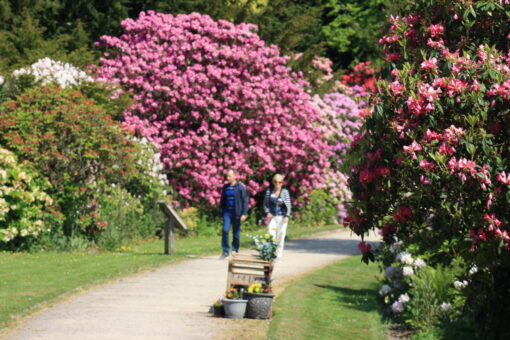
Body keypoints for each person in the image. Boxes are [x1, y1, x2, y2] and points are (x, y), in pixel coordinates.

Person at [218, 169, 248, 259]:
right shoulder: (225, 187)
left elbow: (245, 201)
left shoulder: (240, 187)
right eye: (227, 176)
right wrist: (220, 214)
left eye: (229, 176)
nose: (227, 178)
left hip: (237, 213)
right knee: (225, 230)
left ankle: (235, 249)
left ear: (235, 176)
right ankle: (225, 251)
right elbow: (222, 201)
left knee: (236, 234)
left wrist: (244, 213)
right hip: (227, 213)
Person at [263, 174, 291, 263]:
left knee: (280, 237)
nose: (277, 183)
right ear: (273, 182)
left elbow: (288, 205)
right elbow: (265, 204)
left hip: (282, 218)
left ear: (282, 183)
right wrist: (267, 212)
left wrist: (287, 216)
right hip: (272, 218)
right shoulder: (269, 191)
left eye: (280, 182)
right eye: (275, 182)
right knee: (271, 235)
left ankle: (279, 255)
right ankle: (270, 254)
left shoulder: (285, 192)